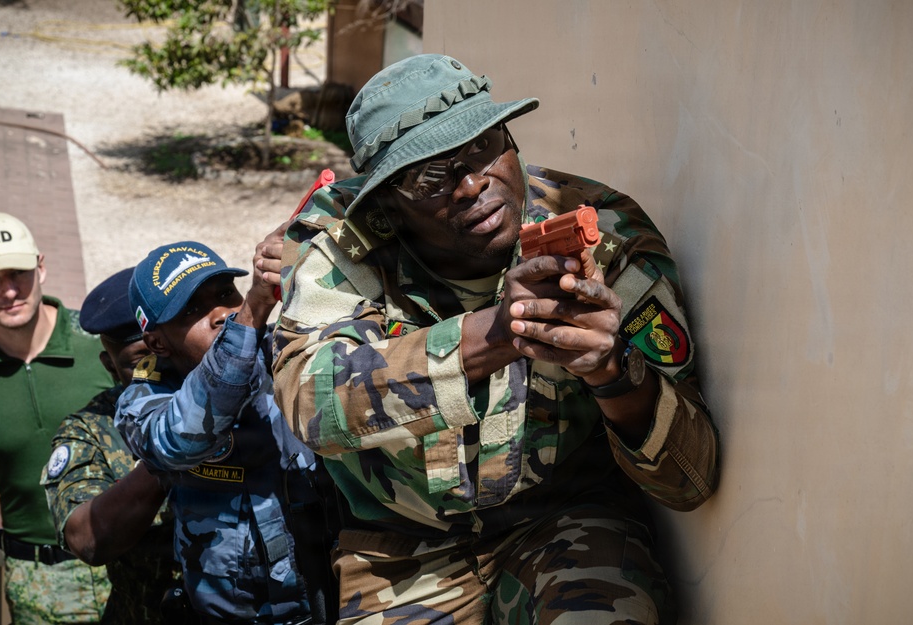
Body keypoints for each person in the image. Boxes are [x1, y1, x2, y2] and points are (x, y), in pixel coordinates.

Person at [271, 54, 721, 624]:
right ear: (386, 201)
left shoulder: (601, 241)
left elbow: (692, 479)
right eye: (428, 176)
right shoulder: (342, 248)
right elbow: (307, 404)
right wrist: (497, 332)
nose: (469, 185)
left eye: (482, 148)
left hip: (564, 520)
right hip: (403, 549)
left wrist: (612, 371)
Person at [114, 234, 338, 625]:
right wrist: (250, 310)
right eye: (192, 311)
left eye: (225, 293)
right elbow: (181, 437)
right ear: (156, 341)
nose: (220, 313)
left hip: (330, 600)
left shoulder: (286, 354)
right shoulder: (142, 402)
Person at [0, 211, 112, 624]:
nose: (9, 291)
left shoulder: (100, 342)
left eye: (18, 272)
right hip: (31, 582)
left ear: (42, 267)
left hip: (126, 569)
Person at [41, 266, 188, 625]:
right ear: (110, 365)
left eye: (167, 354)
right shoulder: (90, 429)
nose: (160, 372)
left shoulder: (230, 397)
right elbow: (86, 538)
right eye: (144, 363)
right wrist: (169, 449)